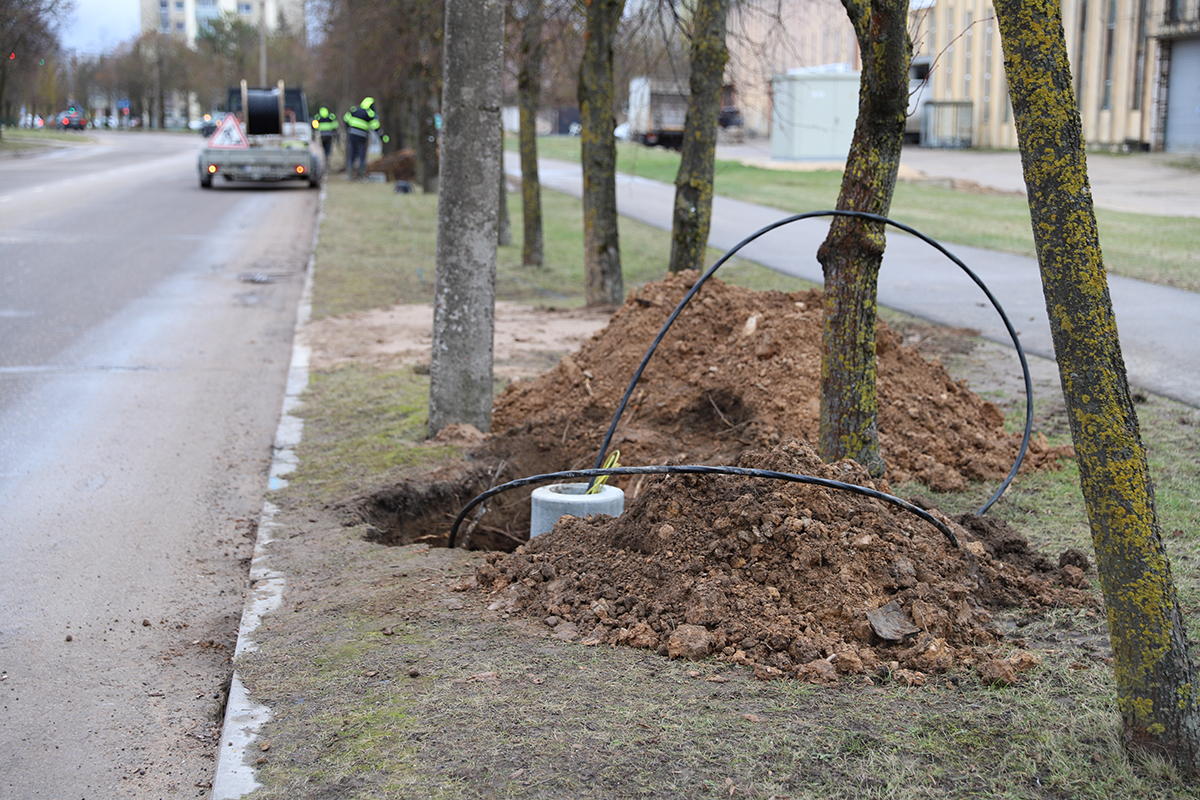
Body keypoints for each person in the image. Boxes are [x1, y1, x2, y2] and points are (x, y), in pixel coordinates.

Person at [343, 97, 382, 180]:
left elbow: (345, 120)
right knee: (362, 156)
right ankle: (360, 176)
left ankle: (350, 176)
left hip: (352, 136)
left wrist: (349, 129)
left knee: (352, 155)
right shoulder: (370, 114)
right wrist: (382, 136)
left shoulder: (354, 110)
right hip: (362, 137)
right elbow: (375, 127)